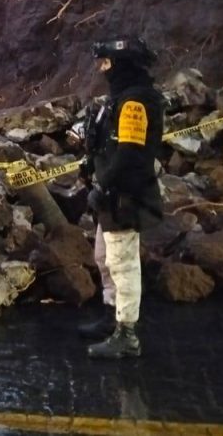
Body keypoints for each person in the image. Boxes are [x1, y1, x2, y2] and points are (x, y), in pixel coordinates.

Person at [79, 37, 164, 359]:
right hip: (113, 195)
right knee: (104, 258)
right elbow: (110, 145)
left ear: (122, 64)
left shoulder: (135, 102)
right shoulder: (120, 100)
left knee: (122, 263)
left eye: (107, 63)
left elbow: (130, 154)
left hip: (125, 196)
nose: (102, 70)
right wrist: (91, 166)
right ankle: (111, 316)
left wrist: (104, 186)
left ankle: (127, 334)